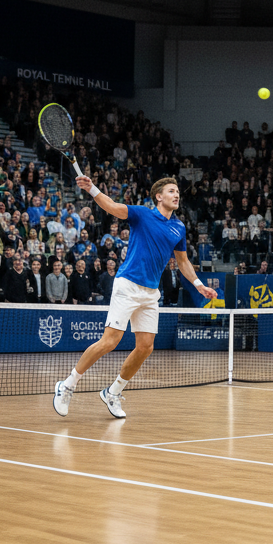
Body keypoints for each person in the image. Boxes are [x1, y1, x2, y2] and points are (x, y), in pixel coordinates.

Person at [54, 176, 214, 419]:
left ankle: (113, 392)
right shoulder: (142, 214)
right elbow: (112, 207)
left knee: (146, 347)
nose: (176, 195)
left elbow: (182, 261)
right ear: (159, 196)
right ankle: (68, 384)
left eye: (178, 192)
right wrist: (92, 189)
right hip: (128, 284)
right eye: (171, 191)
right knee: (110, 341)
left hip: (150, 293)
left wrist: (199, 284)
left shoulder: (178, 228)